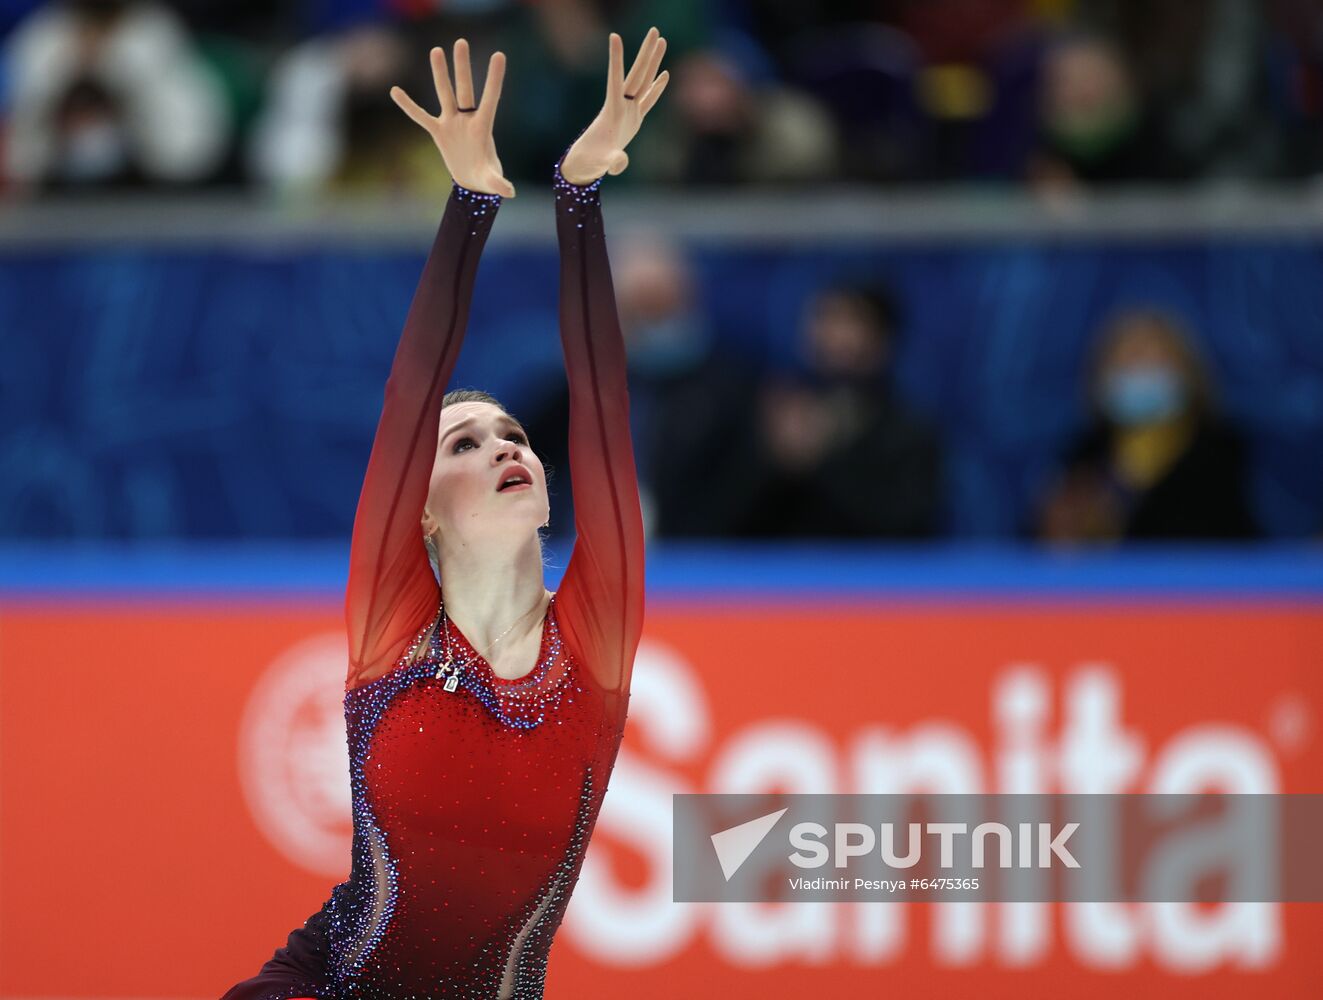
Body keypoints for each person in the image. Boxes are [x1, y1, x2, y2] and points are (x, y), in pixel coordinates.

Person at [221, 27, 666, 999]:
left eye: (510, 433)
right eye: (462, 444)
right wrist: (471, 206)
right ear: (417, 513)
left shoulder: (596, 641)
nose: (506, 446)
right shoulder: (393, 626)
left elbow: (601, 401)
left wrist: (582, 196)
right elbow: (408, 391)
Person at [1037, 308, 1259, 543]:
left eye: (1154, 358)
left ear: (1188, 373)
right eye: (1129, 358)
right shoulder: (1082, 457)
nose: (1142, 371)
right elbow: (1041, 549)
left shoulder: (1224, 454)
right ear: (1102, 376)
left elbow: (1227, 543)